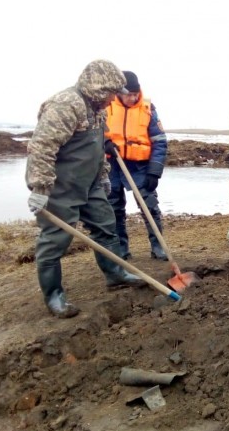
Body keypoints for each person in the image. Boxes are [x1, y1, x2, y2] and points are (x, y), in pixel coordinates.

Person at [26, 60, 146, 319]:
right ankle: (54, 295)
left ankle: (115, 274)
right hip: (61, 186)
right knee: (55, 239)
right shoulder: (66, 105)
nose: (114, 99)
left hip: (90, 183)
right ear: (99, 88)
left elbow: (97, 147)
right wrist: (40, 187)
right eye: (112, 93)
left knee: (106, 224)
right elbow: (42, 147)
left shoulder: (97, 109)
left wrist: (103, 175)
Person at [104, 71, 168, 260]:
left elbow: (160, 141)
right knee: (114, 208)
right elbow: (91, 133)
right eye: (129, 94)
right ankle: (121, 249)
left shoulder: (148, 108)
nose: (133, 98)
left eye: (135, 94)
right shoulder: (105, 106)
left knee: (150, 205)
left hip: (139, 166)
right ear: (119, 92)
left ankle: (158, 247)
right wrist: (104, 142)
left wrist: (154, 171)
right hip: (112, 164)